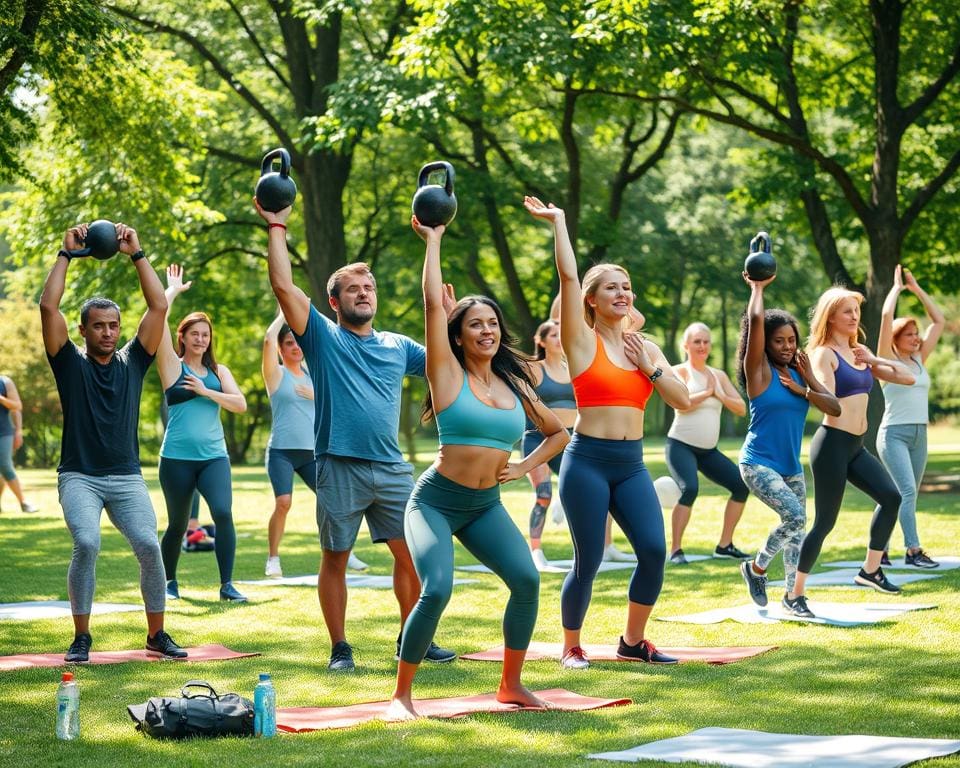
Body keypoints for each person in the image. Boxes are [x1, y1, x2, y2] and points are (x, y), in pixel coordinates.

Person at [256, 199, 456, 671]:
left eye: (369, 288)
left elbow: (446, 363)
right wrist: (277, 225)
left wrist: (435, 250)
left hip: (391, 469)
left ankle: (414, 639)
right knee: (336, 559)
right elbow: (283, 286)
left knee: (413, 560)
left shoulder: (398, 347)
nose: (364, 294)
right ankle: (340, 648)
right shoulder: (322, 338)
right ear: (334, 301)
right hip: (338, 465)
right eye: (353, 289)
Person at [386, 216, 568, 721]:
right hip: (436, 503)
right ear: (459, 336)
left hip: (485, 505)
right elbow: (430, 305)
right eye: (474, 324)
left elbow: (559, 432)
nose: (486, 331)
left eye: (491, 323)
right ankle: (401, 695)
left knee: (526, 582)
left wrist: (525, 466)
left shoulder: (516, 387)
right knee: (437, 588)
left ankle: (511, 685)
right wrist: (435, 240)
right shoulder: (446, 374)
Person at [525, 196, 691, 670]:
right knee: (588, 558)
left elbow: (680, 399)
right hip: (589, 462)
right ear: (592, 301)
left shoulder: (647, 347)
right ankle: (571, 646)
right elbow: (568, 278)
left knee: (655, 551)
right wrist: (560, 222)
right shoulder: (581, 341)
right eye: (612, 288)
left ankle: (633, 642)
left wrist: (649, 368)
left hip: (631, 463)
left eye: (628, 287)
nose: (623, 294)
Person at [39, 222, 187, 662]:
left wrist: (137, 254)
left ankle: (156, 634)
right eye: (98, 326)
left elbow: (159, 306)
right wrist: (66, 254)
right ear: (83, 331)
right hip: (79, 476)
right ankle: (81, 636)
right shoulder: (68, 363)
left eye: (113, 325)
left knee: (148, 543)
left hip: (125, 477)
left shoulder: (133, 361)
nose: (107, 331)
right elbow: (49, 308)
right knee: (86, 542)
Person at [792, 286, 915, 605]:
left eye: (856, 310)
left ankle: (870, 571)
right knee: (825, 523)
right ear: (830, 316)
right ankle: (795, 593)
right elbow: (828, 402)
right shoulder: (823, 354)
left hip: (856, 447)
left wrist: (873, 359)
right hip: (831, 445)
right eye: (847, 310)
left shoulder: (859, 352)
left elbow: (908, 378)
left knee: (891, 498)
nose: (854, 316)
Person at [735, 275, 840, 617]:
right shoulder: (759, 372)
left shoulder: (798, 373)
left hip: (791, 467)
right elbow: (754, 323)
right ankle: (758, 569)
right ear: (766, 344)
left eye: (792, 340)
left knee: (797, 530)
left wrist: (807, 382)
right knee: (794, 517)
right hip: (757, 463)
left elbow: (834, 408)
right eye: (778, 341)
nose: (786, 346)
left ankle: (792, 596)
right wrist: (757, 289)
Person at [156, 265, 247, 603]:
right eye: (194, 333)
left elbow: (239, 404)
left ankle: (226, 585)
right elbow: (158, 320)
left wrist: (207, 391)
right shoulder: (170, 365)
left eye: (205, 334)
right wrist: (173, 292)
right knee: (178, 524)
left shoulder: (219, 371)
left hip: (213, 458)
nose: (200, 339)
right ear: (183, 337)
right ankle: (169, 582)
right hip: (176, 458)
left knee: (222, 513)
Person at [261, 312, 371, 577]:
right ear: (281, 348)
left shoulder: (314, 377)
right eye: (289, 343)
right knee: (284, 502)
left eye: (298, 342)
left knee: (334, 503)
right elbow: (267, 340)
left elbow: (343, 401)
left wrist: (316, 394)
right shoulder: (276, 375)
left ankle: (347, 553)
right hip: (282, 453)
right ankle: (273, 558)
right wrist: (281, 314)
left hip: (312, 453)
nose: (295, 347)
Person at [876, 265, 945, 567]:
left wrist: (916, 289)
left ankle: (880, 548)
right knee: (905, 492)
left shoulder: (919, 359)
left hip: (920, 434)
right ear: (896, 338)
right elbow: (885, 317)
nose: (917, 339)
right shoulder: (886, 360)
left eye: (918, 334)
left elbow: (939, 321)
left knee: (899, 494)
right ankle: (913, 550)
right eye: (910, 334)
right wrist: (896, 288)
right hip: (894, 434)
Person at [666, 322, 750, 564]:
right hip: (680, 445)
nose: (702, 346)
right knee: (689, 489)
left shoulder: (718, 376)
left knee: (740, 486)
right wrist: (706, 393)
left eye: (705, 341)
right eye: (697, 341)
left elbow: (741, 408)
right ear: (686, 345)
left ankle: (724, 545)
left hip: (708, 451)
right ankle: (675, 550)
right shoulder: (678, 372)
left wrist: (720, 394)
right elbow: (680, 403)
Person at [521, 320, 575, 570]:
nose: (559, 338)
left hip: (570, 438)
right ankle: (536, 551)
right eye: (553, 334)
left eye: (561, 333)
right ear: (541, 341)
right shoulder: (534, 369)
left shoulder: (572, 367)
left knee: (578, 491)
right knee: (543, 494)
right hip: (538, 439)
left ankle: (582, 549)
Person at [0, 374, 39, 513]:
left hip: (3, 432)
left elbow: (17, 406)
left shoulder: (5, 382)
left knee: (4, 464)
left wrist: (18, 431)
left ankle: (23, 502)